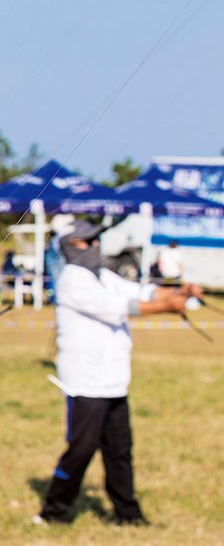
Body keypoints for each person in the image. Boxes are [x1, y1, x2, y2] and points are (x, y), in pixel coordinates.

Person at [35, 221, 201, 526]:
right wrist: (167, 306)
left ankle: (128, 514)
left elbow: (141, 289)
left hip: (114, 380)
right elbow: (118, 306)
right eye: (86, 241)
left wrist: (177, 291)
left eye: (96, 239)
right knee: (82, 449)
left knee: (120, 450)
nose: (95, 245)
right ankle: (53, 512)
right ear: (69, 247)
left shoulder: (103, 276)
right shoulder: (73, 279)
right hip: (85, 381)